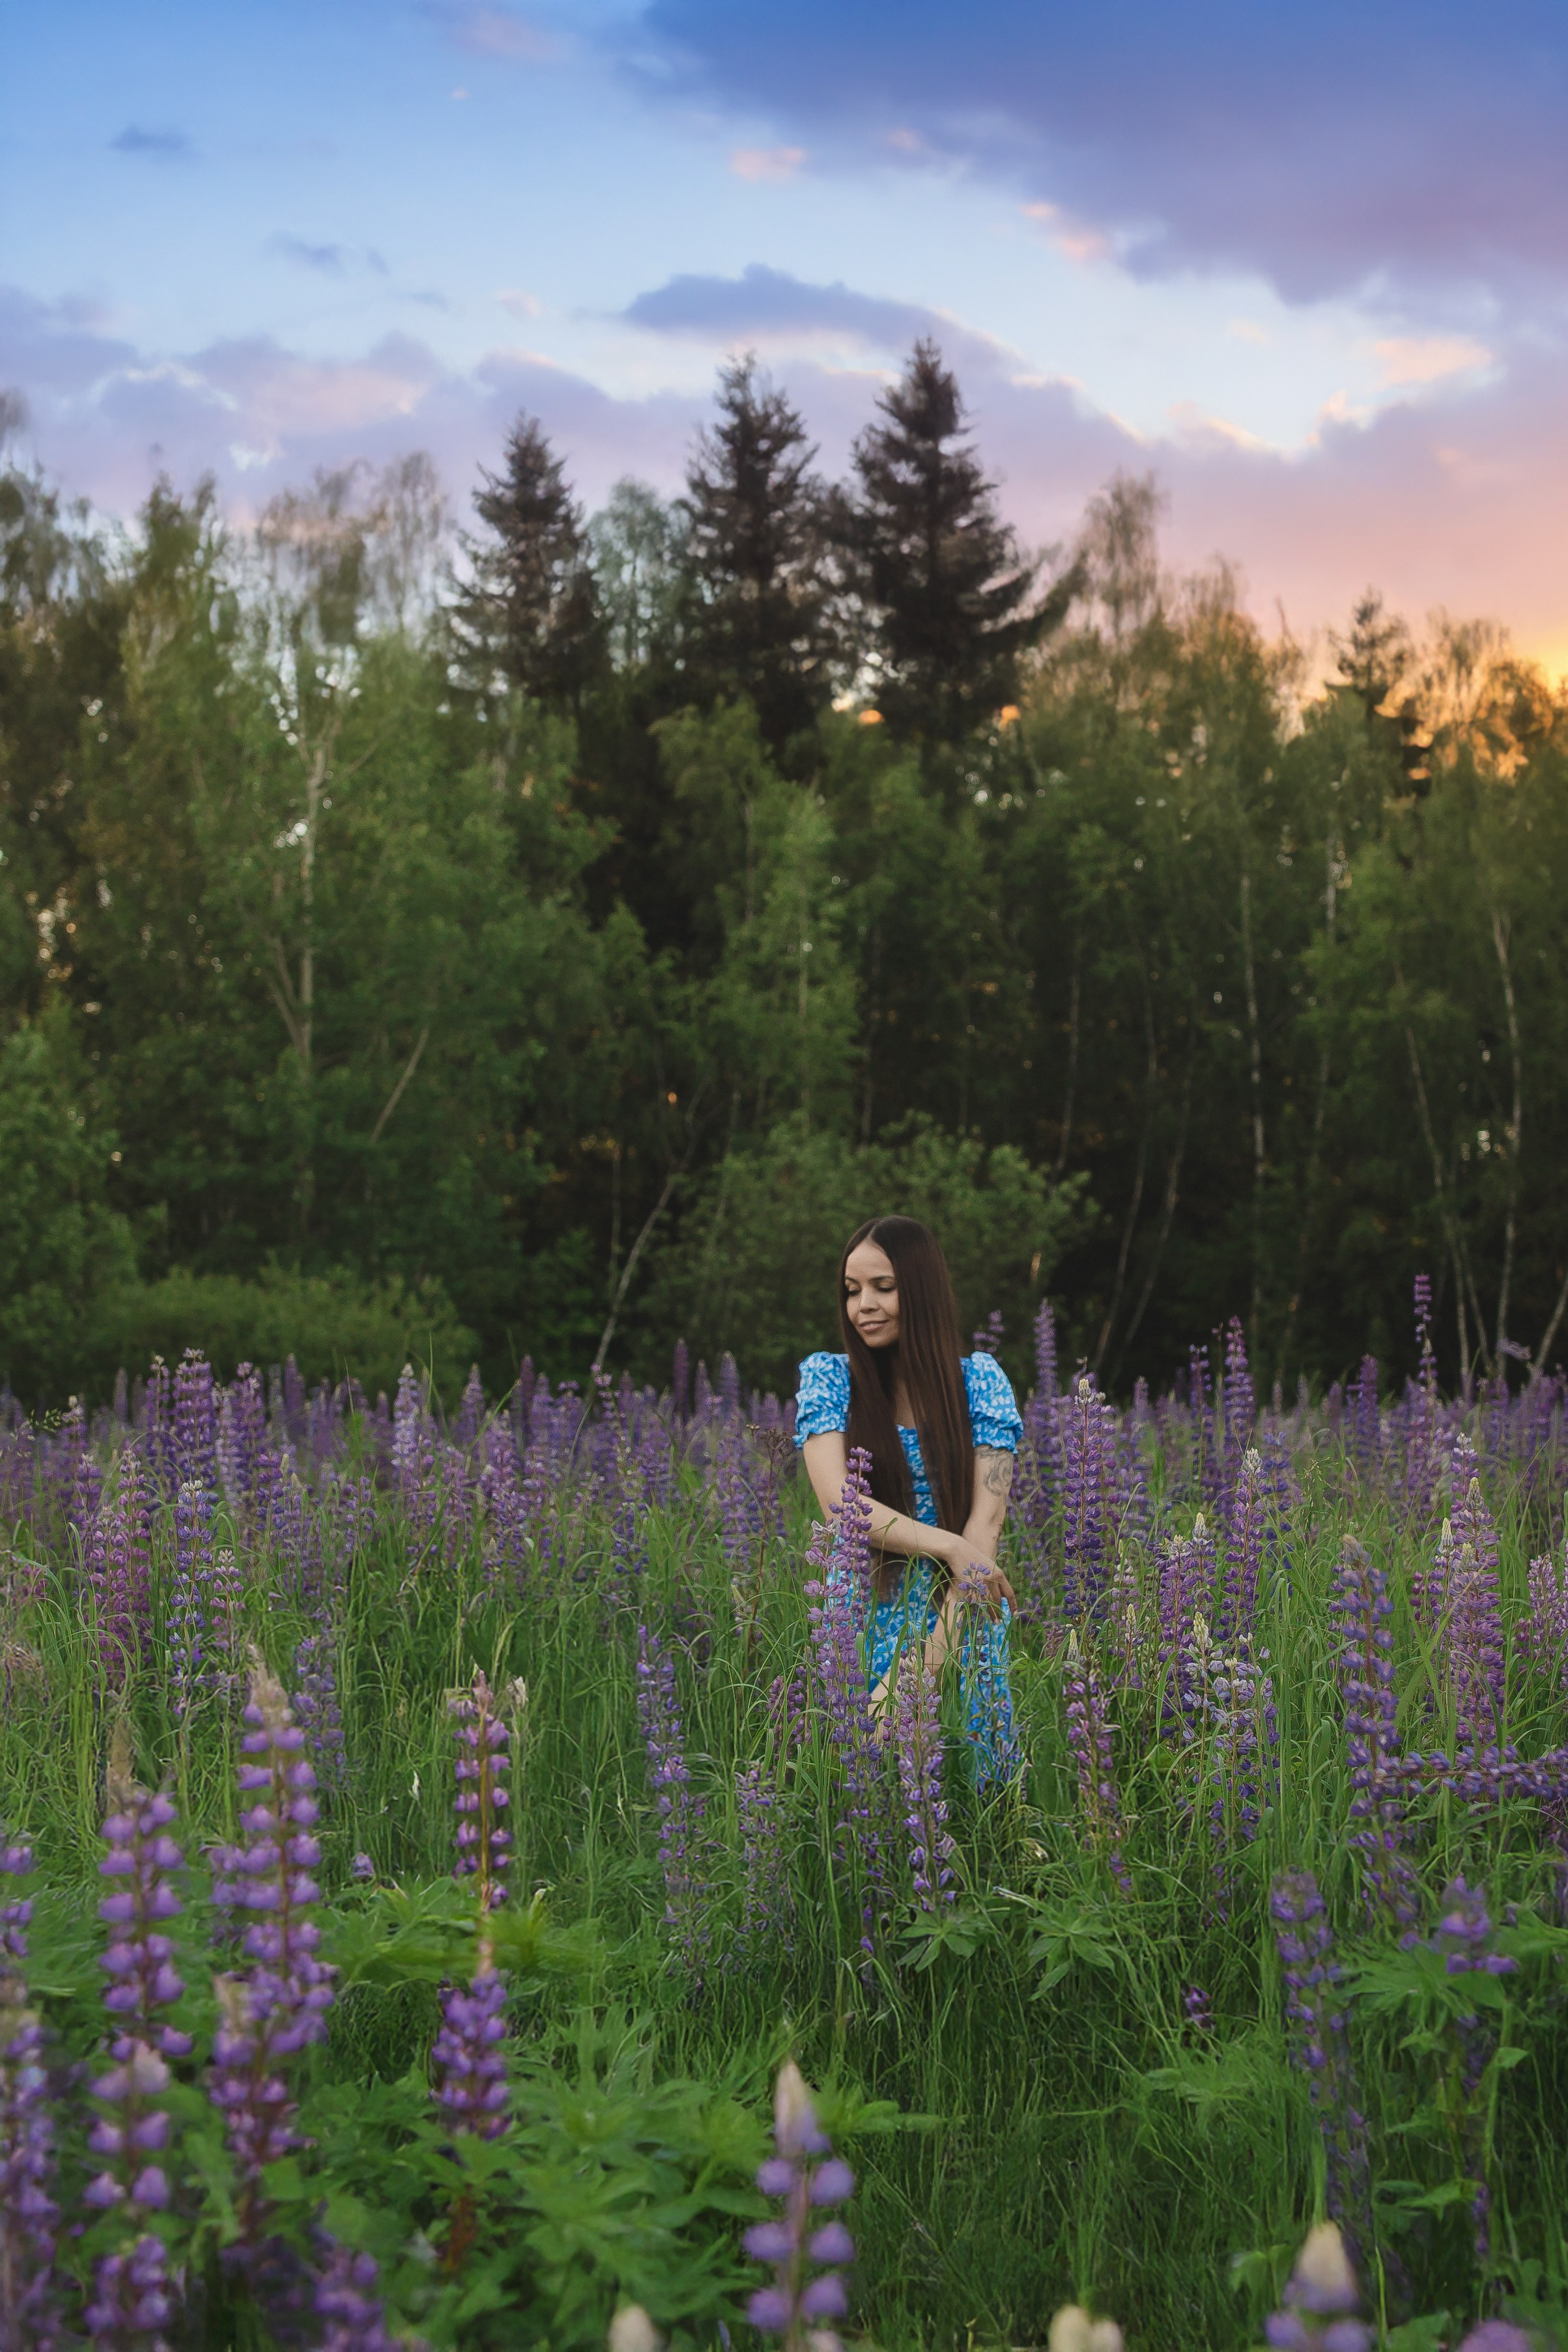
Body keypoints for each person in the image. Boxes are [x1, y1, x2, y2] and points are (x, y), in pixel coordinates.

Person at [793, 1214, 1022, 1779]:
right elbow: (838, 1505)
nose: (863, 1305)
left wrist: (922, 1669)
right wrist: (948, 1546)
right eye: (852, 1291)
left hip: (962, 1603)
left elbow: (985, 1527)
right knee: (866, 1779)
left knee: (982, 1783)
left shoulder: (981, 1384)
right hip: (864, 1600)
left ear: (919, 1289)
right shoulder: (830, 1378)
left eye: (883, 1287)